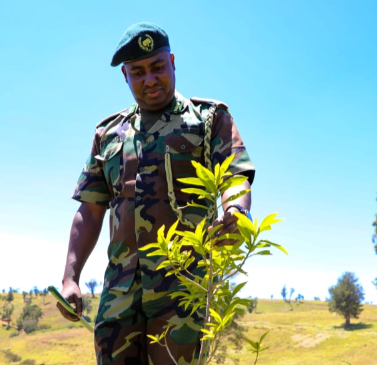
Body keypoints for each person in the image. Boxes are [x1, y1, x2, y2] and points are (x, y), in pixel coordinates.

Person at [56, 22, 255, 365]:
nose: (150, 79)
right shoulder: (108, 134)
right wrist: (70, 278)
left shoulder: (208, 119)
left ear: (173, 62)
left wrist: (236, 211)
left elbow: (235, 176)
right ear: (125, 77)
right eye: (138, 72)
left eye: (157, 67)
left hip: (183, 294)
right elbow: (89, 211)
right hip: (119, 298)